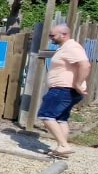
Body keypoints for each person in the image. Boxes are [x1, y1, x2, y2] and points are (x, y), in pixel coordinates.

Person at [37, 24, 91, 158]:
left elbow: (85, 64)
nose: (50, 38)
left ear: (64, 34)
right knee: (61, 119)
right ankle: (61, 149)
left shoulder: (71, 47)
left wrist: (78, 83)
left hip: (63, 89)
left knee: (46, 115)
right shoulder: (64, 48)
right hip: (65, 90)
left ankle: (63, 145)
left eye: (53, 35)